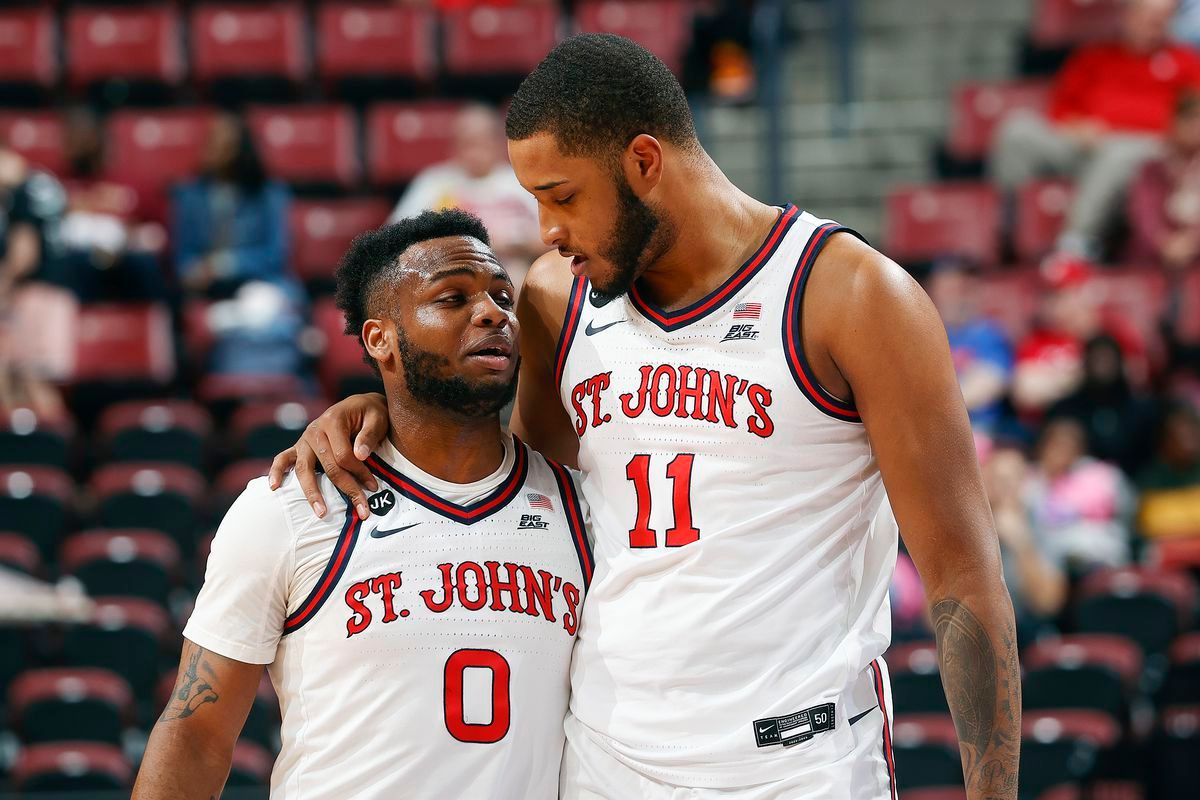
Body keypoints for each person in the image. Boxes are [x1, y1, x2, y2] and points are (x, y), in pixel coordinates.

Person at [274, 35, 1020, 800]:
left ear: (642, 162)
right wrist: (384, 407)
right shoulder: (558, 300)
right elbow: (516, 494)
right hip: (607, 762)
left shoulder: (853, 298)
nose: (547, 228)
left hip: (800, 764)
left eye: (562, 196)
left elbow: (964, 577)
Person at [133, 210, 593, 799]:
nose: (491, 313)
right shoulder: (291, 507)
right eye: (451, 298)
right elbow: (197, 732)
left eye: (503, 296)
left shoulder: (582, 509)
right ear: (380, 339)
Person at [991, 0, 1200, 259]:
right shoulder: (1094, 56)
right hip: (1089, 146)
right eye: (1147, 16)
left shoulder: (1186, 63)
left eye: (1161, 18)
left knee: (1118, 153)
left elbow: (1192, 120)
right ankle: (1010, 227)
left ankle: (1074, 244)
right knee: (1017, 130)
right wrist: (1078, 128)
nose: (1154, 24)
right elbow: (1060, 111)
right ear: (1127, 16)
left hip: (1149, 150)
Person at [171, 114, 304, 376]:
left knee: (276, 304)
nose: (214, 149)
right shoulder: (188, 195)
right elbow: (182, 259)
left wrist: (224, 265)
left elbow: (275, 255)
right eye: (211, 141)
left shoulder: (269, 193)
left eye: (224, 143)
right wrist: (193, 272)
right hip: (211, 292)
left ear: (241, 149)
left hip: (262, 283)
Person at [388, 104, 543, 291]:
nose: (475, 151)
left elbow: (551, 239)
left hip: (515, 270)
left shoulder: (520, 181)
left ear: (498, 142)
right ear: (454, 145)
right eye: (467, 142)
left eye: (482, 141)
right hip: (447, 272)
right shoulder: (434, 183)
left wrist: (516, 245)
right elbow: (396, 238)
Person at [983, 444, 1069, 643]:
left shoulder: (1043, 525)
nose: (1002, 488)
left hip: (1031, 636)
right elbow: (932, 617)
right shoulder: (969, 531)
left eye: (1009, 480)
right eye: (994, 479)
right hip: (982, 635)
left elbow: (1048, 603)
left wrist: (1020, 543)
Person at [1025, 417, 1134, 573]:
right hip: (1047, 562)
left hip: (1097, 559)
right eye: (1056, 446)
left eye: (1069, 447)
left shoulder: (1100, 475)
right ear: (1043, 447)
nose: (1061, 453)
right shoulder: (1029, 480)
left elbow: (1123, 516)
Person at [1047, 334, 1160, 475]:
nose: (1101, 366)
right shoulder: (1064, 410)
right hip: (1077, 487)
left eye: (1107, 359)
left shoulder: (1143, 410)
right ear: (1085, 363)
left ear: (1120, 363)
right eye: (1096, 359)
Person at [926, 259, 1014, 435]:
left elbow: (987, 385)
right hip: (930, 428)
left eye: (963, 289)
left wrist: (928, 408)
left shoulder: (989, 334)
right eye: (949, 289)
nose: (957, 297)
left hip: (978, 429)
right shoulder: (924, 333)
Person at [1127, 91, 1200, 269]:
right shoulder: (1154, 166)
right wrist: (1163, 242)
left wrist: (1193, 240)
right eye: (1187, 119)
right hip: (1153, 259)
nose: (1194, 126)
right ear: (1174, 122)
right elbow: (1143, 212)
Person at [1136, 400, 1200, 539]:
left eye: (1191, 433)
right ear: (1164, 440)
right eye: (1179, 435)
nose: (1187, 442)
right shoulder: (1149, 480)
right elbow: (1143, 530)